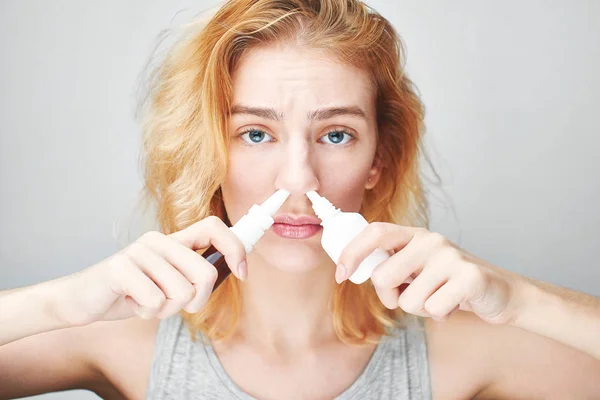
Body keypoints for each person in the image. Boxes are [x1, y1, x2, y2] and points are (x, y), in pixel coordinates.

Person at [1, 0, 600, 399]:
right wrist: (61, 304)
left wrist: (516, 299)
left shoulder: (461, 347)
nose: (298, 180)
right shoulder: (127, 338)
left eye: (335, 135)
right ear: (213, 150)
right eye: (255, 134)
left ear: (377, 159)